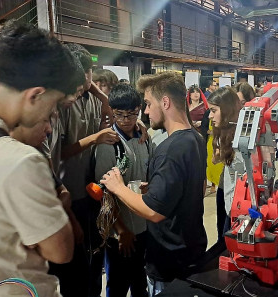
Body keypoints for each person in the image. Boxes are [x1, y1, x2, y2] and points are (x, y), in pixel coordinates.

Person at [0, 23, 78, 297]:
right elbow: (60, 251)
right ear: (35, 95)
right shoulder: (19, 160)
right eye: (53, 105)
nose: (50, 119)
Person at [100, 72, 207, 296]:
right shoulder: (195, 138)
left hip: (170, 258)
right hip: (190, 249)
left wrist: (117, 187)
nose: (146, 112)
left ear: (165, 102)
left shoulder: (170, 149)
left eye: (148, 104)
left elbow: (153, 211)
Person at [49, 43, 118, 297]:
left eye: (90, 72)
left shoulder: (94, 98)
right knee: (74, 267)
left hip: (95, 190)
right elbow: (58, 154)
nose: (88, 79)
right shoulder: (63, 106)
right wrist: (94, 138)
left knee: (96, 256)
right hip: (72, 192)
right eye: (85, 73)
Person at [93, 84, 153, 297]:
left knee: (140, 283)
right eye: (119, 115)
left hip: (143, 227)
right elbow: (104, 194)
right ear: (112, 111)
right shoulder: (108, 144)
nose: (126, 120)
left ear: (139, 109)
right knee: (117, 285)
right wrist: (121, 230)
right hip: (120, 232)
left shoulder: (145, 139)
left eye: (131, 114)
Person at [208, 87, 244, 234]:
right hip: (230, 200)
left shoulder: (243, 138)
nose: (210, 115)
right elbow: (216, 159)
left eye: (214, 110)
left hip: (241, 205)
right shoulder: (224, 131)